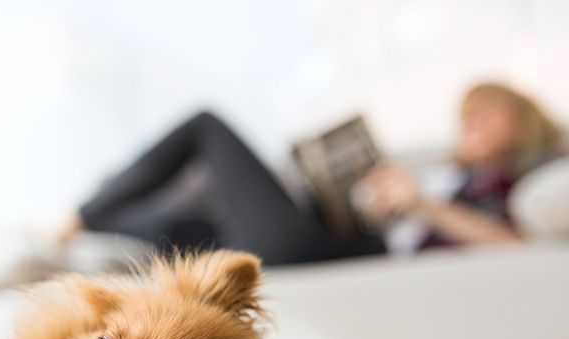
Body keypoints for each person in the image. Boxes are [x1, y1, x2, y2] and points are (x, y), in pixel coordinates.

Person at [54, 82, 563, 265]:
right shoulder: (455, 173)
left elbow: (516, 248)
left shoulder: (513, 181)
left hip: (322, 253)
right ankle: (93, 226)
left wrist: (423, 204)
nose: (469, 125)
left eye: (486, 114)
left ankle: (81, 215)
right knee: (186, 224)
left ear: (524, 120)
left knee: (207, 127)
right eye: (466, 116)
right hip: (332, 234)